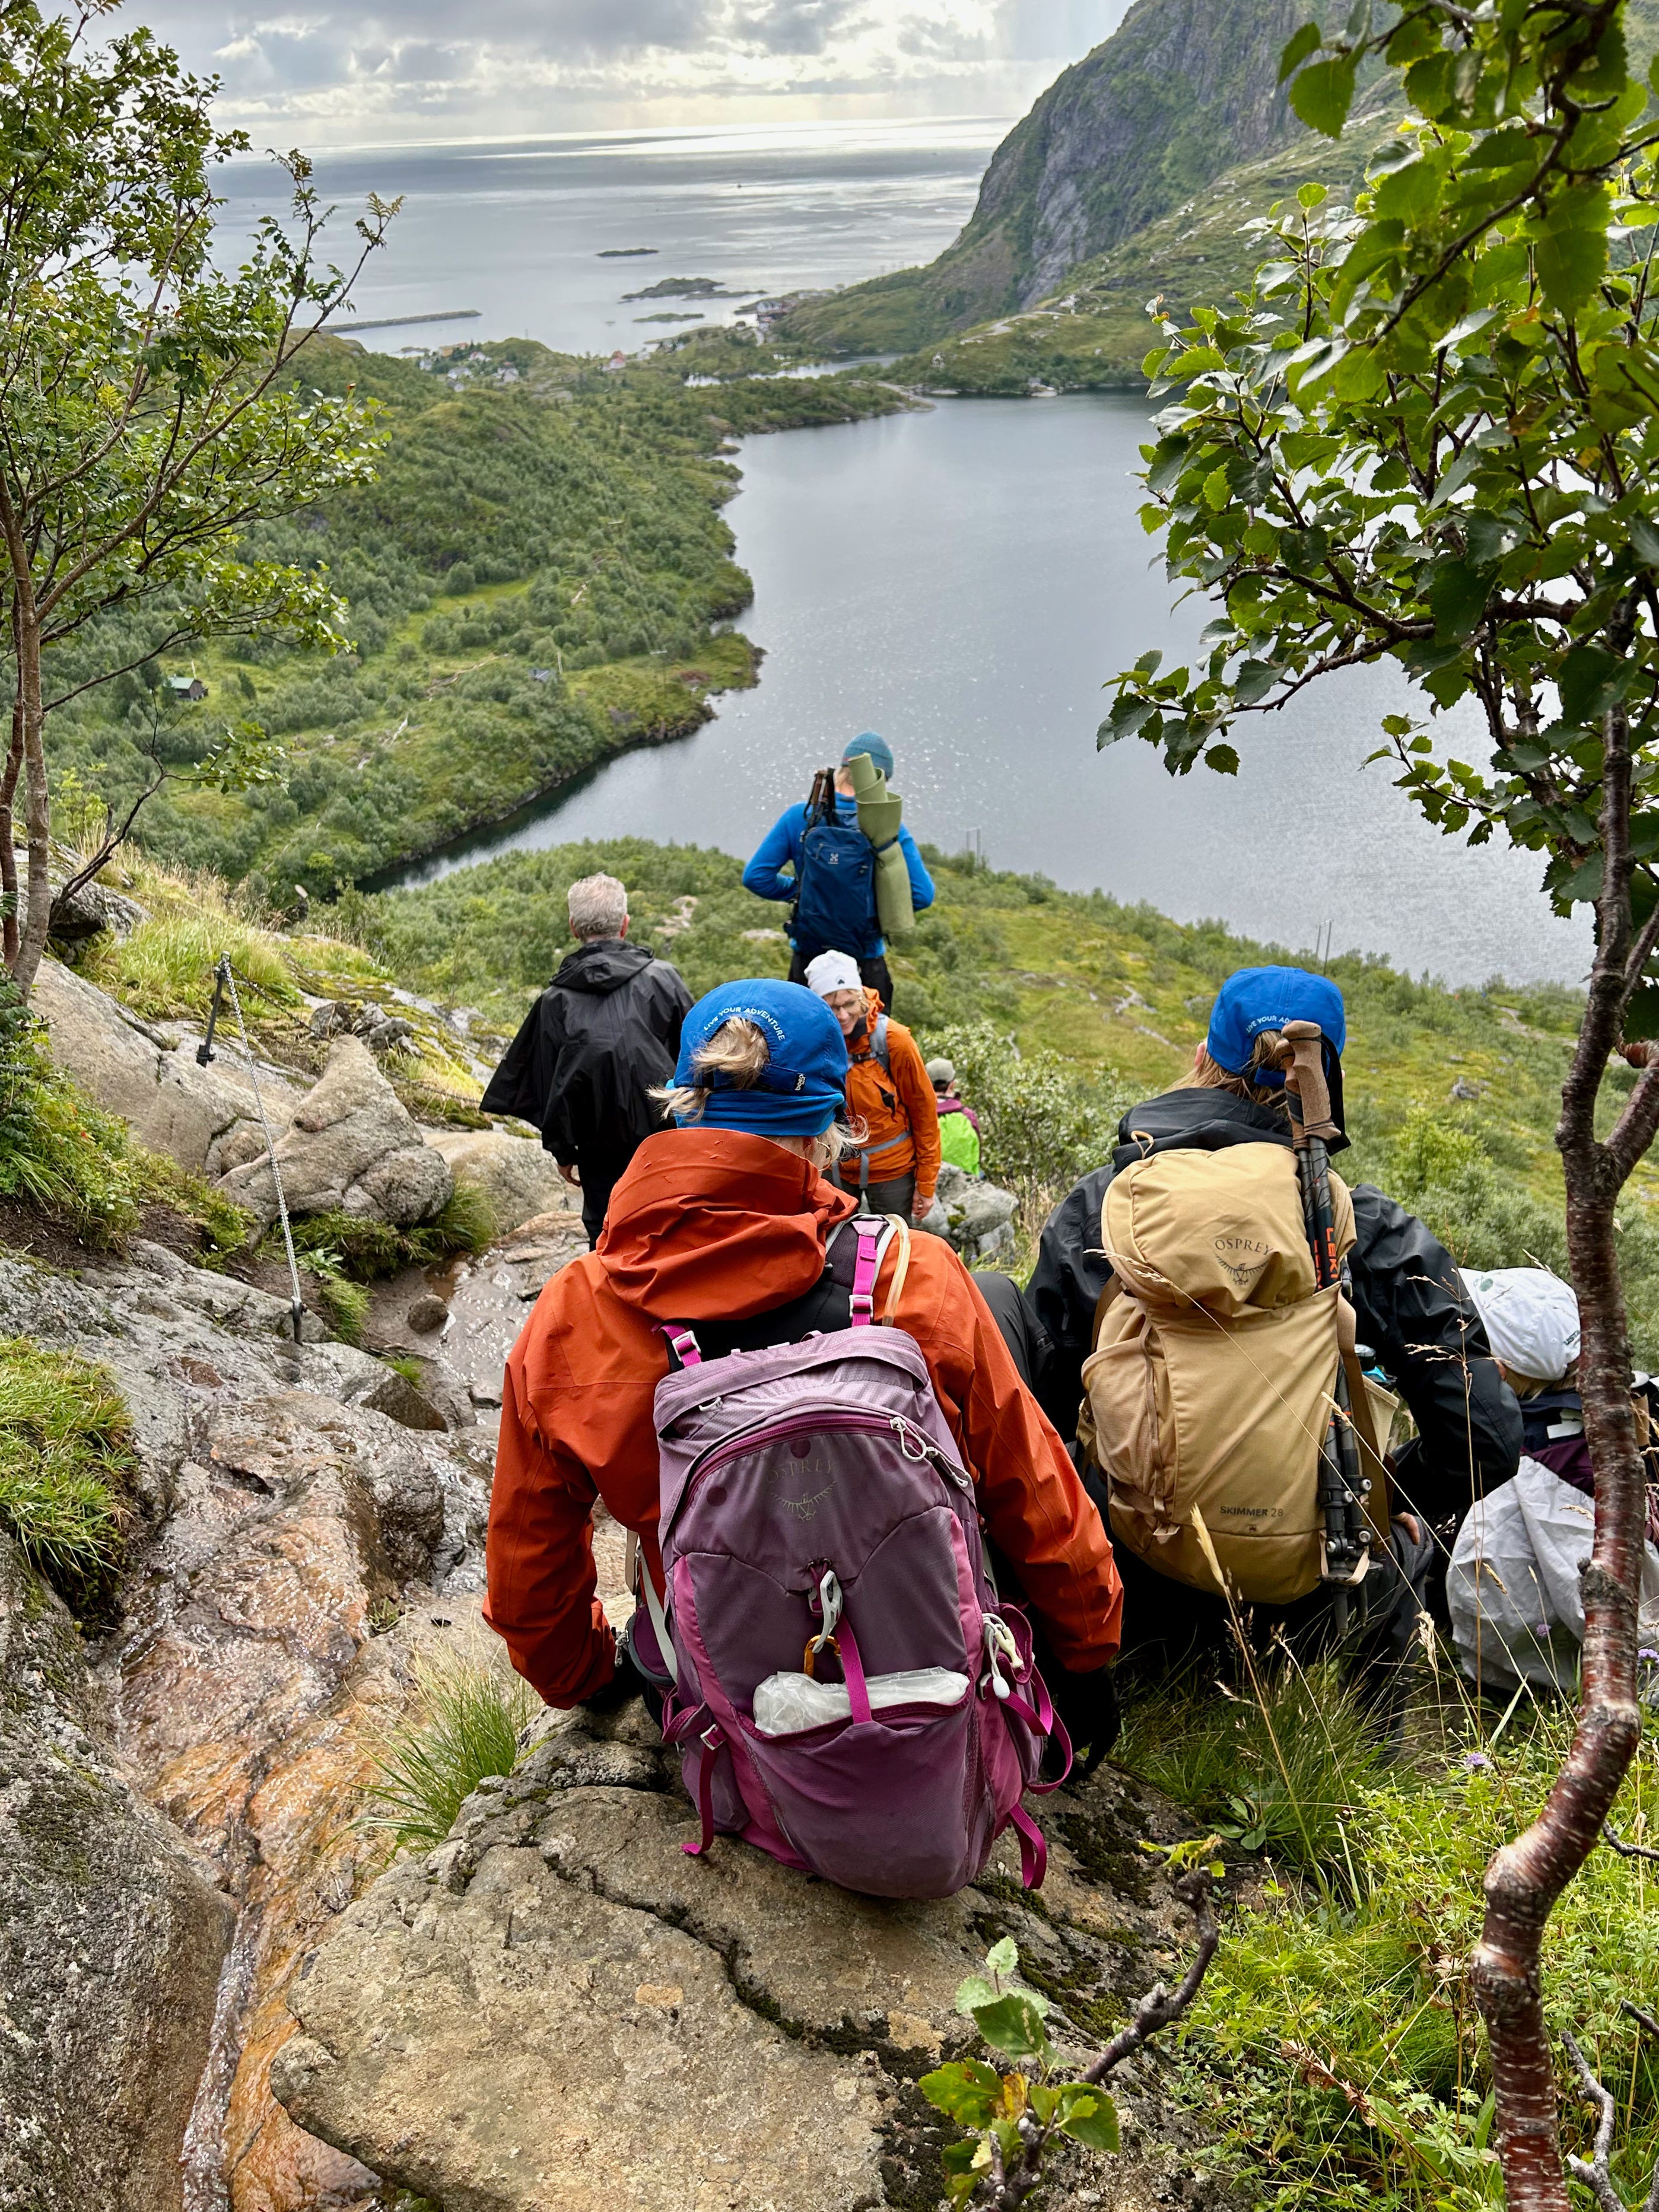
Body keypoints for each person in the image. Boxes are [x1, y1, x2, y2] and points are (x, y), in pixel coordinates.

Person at [484, 976, 1123, 1772]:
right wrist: (1085, 1655)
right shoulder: (913, 1276)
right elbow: (1035, 1493)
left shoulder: (576, 1311)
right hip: (928, 1682)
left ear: (682, 1105)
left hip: (723, 1710)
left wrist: (582, 1676)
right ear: (831, 1126)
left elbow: (529, 1571)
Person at [1024, 965, 1521, 1675]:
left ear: (1204, 1057)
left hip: (1127, 1576)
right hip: (1310, 1601)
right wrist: (1389, 1500)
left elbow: (1038, 1410)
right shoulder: (1365, 1227)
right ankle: (1355, 1740)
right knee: (1402, 1558)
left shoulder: (1106, 1205)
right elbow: (1487, 1439)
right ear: (1325, 1084)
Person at [1447, 1266, 1659, 1691]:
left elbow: (1488, 1606)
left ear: (1500, 1370)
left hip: (1576, 1670)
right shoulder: (1637, 1403)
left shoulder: (1527, 1458)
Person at [480, 872, 692, 1249]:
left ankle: (612, 1283)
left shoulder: (554, 1001)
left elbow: (546, 1084)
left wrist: (563, 1151)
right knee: (672, 1223)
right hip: (666, 1138)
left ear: (573, 927)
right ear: (625, 924)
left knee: (607, 1230)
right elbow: (696, 1058)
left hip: (598, 1150)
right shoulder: (664, 979)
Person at [742, 733, 935, 1009]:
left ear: (842, 771)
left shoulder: (801, 817)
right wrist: (874, 906)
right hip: (864, 964)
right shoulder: (887, 829)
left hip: (808, 961)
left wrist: (802, 892)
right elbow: (922, 895)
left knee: (805, 1034)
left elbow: (756, 877)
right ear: (881, 782)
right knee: (869, 1035)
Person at [805, 950, 939, 1223]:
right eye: (832, 1007)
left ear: (861, 998)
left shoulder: (893, 1040)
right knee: (831, 1241)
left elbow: (924, 1111)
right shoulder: (811, 1041)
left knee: (894, 1241)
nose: (843, 1015)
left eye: (849, 1004)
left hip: (892, 1170)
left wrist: (926, 1184)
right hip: (832, 1166)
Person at [927, 1056, 982, 1176]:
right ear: (952, 1085)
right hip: (966, 1181)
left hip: (927, 1182)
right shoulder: (967, 1115)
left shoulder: (917, 1117)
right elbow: (978, 1155)